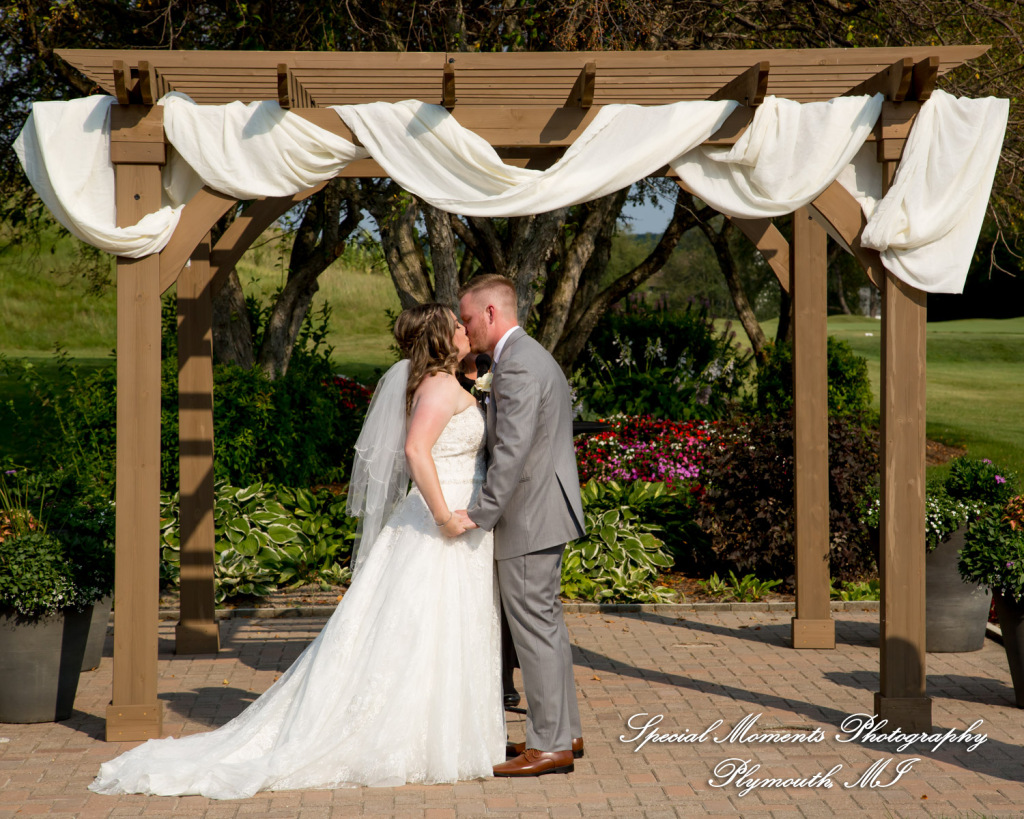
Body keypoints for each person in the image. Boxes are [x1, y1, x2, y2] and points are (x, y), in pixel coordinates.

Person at [89, 304, 505, 799]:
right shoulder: (438, 386)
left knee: (438, 628)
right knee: (427, 628)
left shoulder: (444, 382)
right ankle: (420, 740)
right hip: (443, 522)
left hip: (457, 518)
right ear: (440, 336)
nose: (464, 328)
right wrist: (443, 517)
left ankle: (446, 735)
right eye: (456, 324)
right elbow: (417, 450)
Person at [455, 274, 586, 777]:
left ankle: (548, 745)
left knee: (533, 630)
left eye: (468, 318)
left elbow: (511, 451)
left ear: (490, 313)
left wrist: (480, 513)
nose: (465, 328)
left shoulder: (519, 365)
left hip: (529, 514)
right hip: (542, 509)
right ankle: (564, 733)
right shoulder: (523, 356)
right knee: (545, 626)